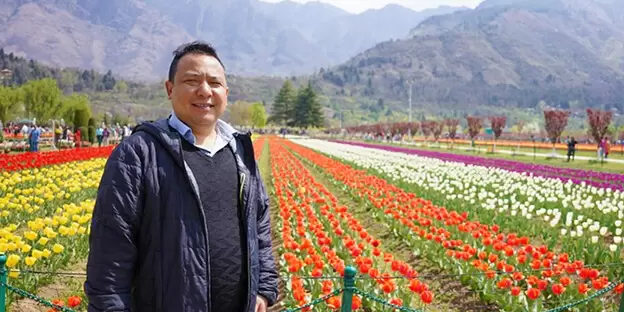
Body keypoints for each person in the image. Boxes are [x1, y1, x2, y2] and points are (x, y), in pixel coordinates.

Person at [84, 41, 279, 312]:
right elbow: (111, 248)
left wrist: (264, 289)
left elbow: (259, 225)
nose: (205, 91)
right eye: (191, 80)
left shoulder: (240, 152)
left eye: (215, 83)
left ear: (226, 92)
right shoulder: (139, 154)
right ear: (169, 89)